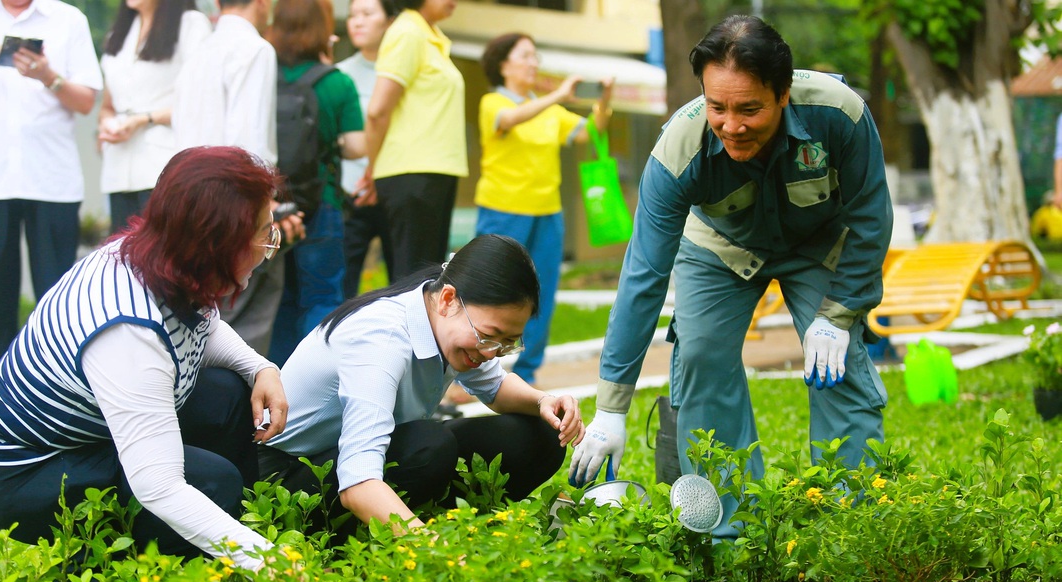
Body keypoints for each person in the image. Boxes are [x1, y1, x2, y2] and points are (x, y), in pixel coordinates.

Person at [570, 15, 893, 538]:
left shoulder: (838, 114)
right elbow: (643, 275)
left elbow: (871, 217)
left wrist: (837, 314)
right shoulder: (678, 150)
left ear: (783, 93)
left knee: (836, 363)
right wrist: (611, 408)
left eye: (749, 109)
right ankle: (727, 522)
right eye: (717, 107)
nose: (731, 125)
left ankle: (852, 522)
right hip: (718, 246)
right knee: (700, 353)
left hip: (816, 242)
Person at [0, 146, 290, 571]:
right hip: (25, 473)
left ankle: (225, 543)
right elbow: (159, 486)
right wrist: (276, 565)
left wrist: (260, 367)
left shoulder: (155, 255)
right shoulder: (126, 333)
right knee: (209, 481)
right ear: (220, 244)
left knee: (230, 394)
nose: (271, 245)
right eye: (265, 234)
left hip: (88, 429)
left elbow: (200, 328)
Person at [258, 234, 585, 537]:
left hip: (351, 459)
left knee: (539, 436)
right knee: (428, 445)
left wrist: (544, 402)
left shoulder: (445, 322)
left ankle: (445, 524)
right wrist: (427, 549)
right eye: (487, 336)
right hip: (285, 480)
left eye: (507, 343)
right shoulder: (381, 341)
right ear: (447, 299)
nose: (490, 353)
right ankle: (370, 537)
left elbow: (496, 388)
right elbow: (357, 481)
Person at [0, 0, 104, 381]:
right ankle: (0, 403)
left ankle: (59, 394)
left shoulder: (68, 19)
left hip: (52, 180)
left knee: (57, 301)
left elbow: (87, 101)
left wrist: (47, 75)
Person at [474, 33, 613, 385]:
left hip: (548, 212)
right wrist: (558, 96)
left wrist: (605, 99)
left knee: (541, 293)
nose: (533, 63)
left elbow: (589, 131)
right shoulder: (493, 102)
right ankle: (471, 371)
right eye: (525, 56)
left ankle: (527, 371)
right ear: (503, 65)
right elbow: (510, 119)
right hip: (502, 210)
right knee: (489, 291)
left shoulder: (550, 109)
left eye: (536, 56)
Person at [172, 0, 304, 355]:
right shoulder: (255, 48)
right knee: (247, 321)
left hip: (189, 198)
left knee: (201, 317)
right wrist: (265, 206)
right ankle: (240, 408)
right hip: (236, 201)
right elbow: (252, 139)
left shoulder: (199, 51)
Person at [265, 0, 366, 364]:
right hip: (320, 203)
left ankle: (273, 384)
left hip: (269, 205)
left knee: (278, 297)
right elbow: (357, 147)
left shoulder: (264, 74)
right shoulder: (337, 82)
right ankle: (312, 383)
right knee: (322, 296)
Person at [352, 0, 466, 282]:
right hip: (412, 172)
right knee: (415, 280)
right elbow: (378, 111)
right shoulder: (407, 32)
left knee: (429, 277)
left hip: (435, 171)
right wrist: (373, 169)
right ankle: (405, 328)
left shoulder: (431, 36)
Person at [97, 0, 212, 234]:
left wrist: (143, 119)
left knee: (161, 259)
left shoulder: (191, 25)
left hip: (164, 167)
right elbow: (107, 106)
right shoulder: (119, 32)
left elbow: (201, 102)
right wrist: (108, 124)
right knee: (122, 259)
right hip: (118, 170)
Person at [338, 0, 397, 299]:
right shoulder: (339, 74)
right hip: (351, 195)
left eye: (367, 14)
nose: (357, 22)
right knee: (341, 285)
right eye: (352, 16)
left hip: (393, 189)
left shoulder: (402, 73)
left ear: (388, 21)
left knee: (405, 283)